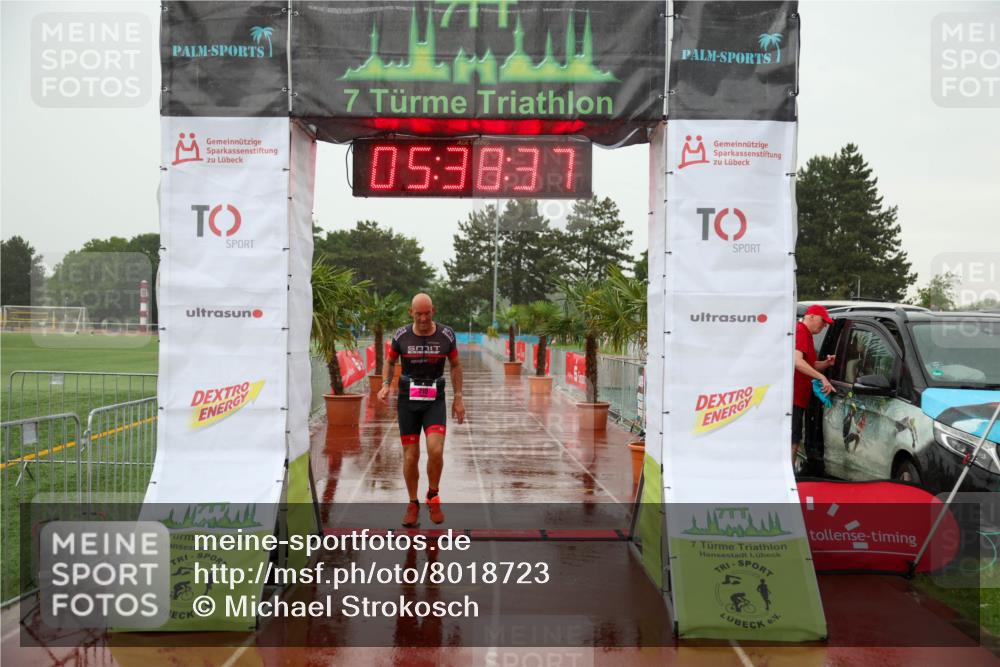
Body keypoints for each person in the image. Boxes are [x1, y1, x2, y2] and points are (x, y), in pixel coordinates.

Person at [378, 293, 465, 527]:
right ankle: (412, 503)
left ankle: (433, 495)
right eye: (419, 314)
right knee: (411, 455)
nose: (424, 318)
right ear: (411, 313)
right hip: (408, 400)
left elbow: (456, 365)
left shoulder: (446, 335)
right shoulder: (401, 335)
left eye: (427, 313)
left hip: (435, 398)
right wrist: (386, 385)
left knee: (435, 451)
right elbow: (389, 361)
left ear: (433, 311)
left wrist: (458, 398)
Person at [793, 304, 836, 467]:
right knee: (793, 439)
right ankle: (790, 478)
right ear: (810, 316)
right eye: (823, 321)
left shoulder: (808, 335)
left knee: (796, 438)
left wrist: (825, 364)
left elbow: (809, 365)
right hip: (793, 398)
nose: (825, 325)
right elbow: (797, 362)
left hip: (800, 399)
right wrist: (822, 378)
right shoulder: (800, 332)